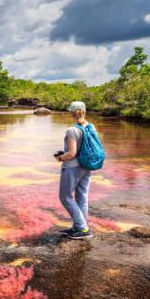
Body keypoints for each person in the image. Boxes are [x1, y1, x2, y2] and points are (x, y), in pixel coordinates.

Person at [55, 101, 93, 239]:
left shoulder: (72, 130)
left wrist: (60, 158)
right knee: (82, 196)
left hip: (73, 167)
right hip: (86, 165)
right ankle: (79, 227)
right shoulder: (90, 127)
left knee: (65, 197)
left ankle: (82, 229)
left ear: (71, 112)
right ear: (84, 111)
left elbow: (71, 154)